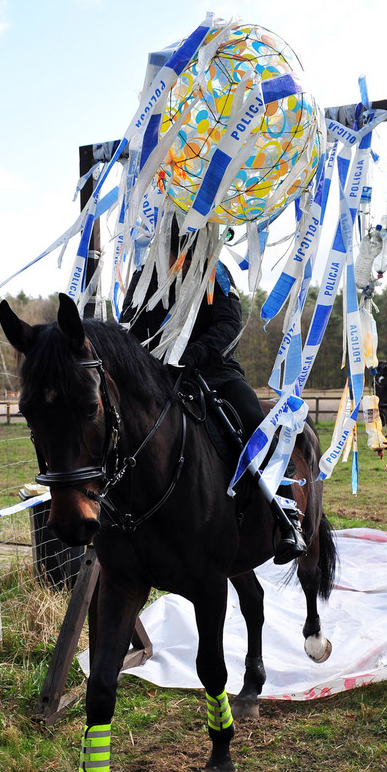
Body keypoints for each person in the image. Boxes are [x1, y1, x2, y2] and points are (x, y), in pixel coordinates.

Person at [119, 231, 307, 564]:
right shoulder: (144, 276)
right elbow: (130, 328)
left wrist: (197, 352)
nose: (182, 253)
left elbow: (229, 323)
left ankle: (287, 512)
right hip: (158, 377)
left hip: (213, 370)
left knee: (255, 419)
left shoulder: (215, 272)